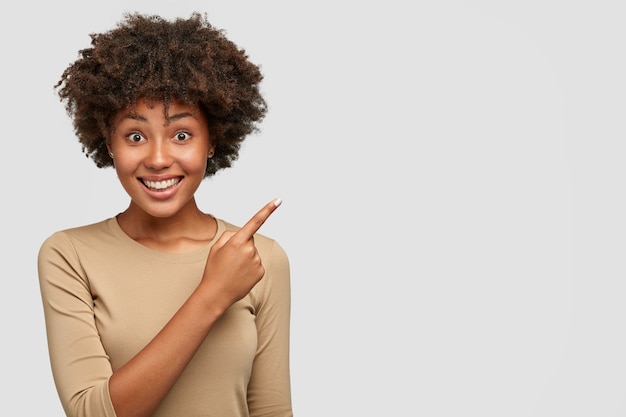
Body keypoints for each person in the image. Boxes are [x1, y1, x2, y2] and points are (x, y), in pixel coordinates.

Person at [37, 12, 292, 417]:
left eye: (182, 135)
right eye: (135, 136)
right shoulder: (69, 254)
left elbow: (272, 409)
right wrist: (212, 294)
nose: (158, 159)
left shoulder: (259, 257)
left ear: (213, 141)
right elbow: (92, 413)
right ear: (109, 143)